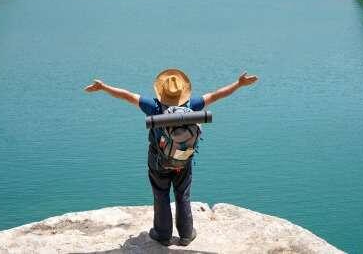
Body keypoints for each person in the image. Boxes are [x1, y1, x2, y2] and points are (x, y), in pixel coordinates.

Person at [84, 68, 258, 246]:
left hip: (158, 162)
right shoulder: (191, 105)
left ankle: (163, 235)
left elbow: (127, 96)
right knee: (183, 195)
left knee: (161, 194)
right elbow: (216, 95)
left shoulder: (154, 106)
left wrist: (103, 87)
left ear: (162, 91)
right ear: (183, 92)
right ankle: (186, 234)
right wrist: (239, 84)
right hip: (183, 161)